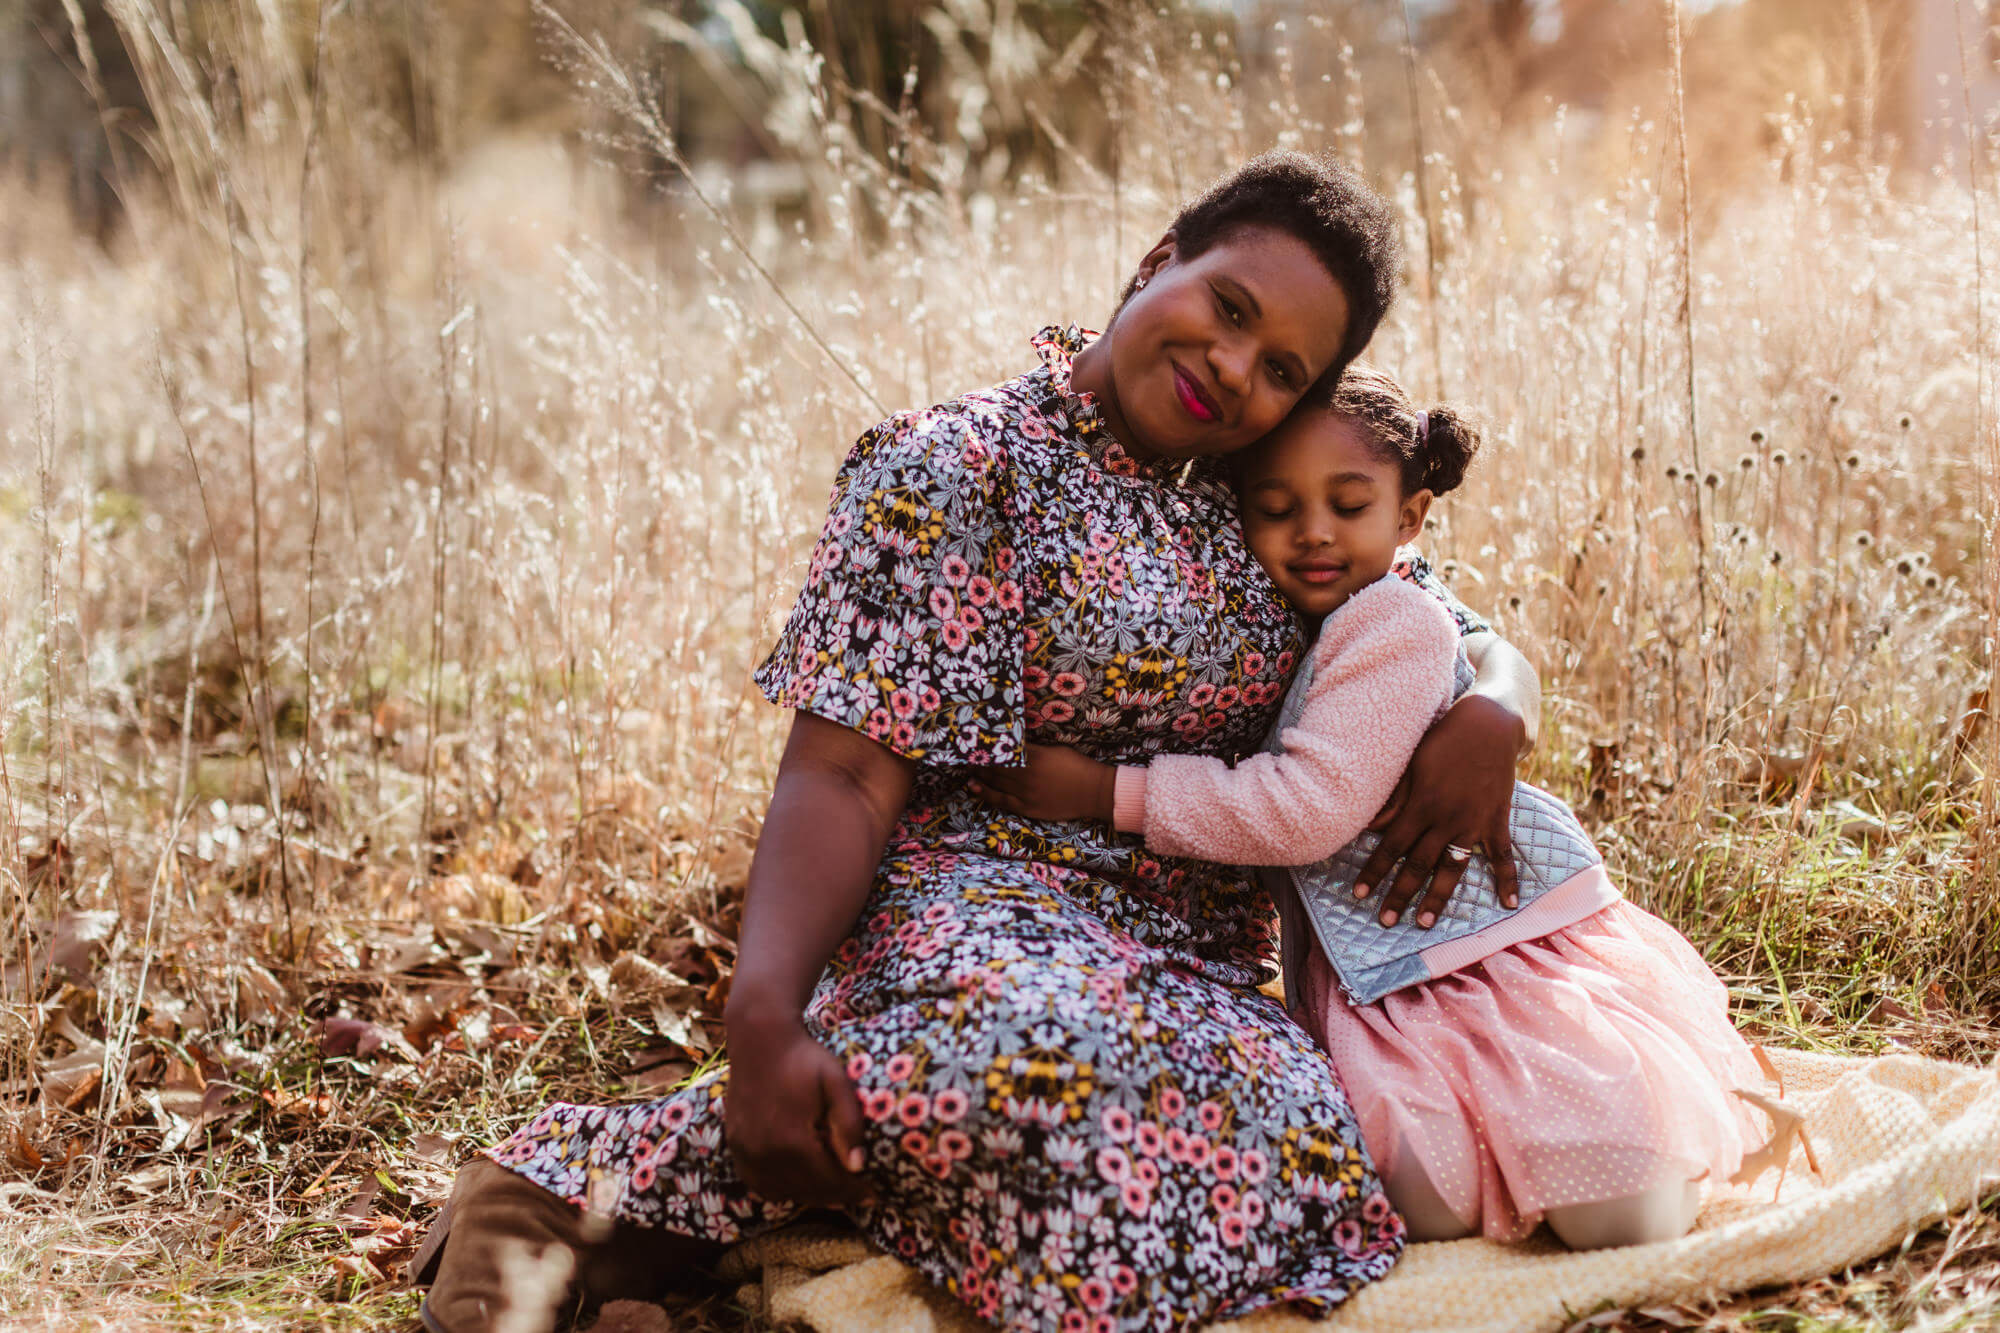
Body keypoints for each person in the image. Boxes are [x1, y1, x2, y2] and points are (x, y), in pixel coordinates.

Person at [412, 151, 1544, 1333]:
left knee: (1298, 1150)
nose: (1229, 369)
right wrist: (761, 1016)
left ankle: (813, 1210)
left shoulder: (1267, 492)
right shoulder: (955, 467)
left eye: (1279, 369)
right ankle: (577, 1197)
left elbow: (1426, 623)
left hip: (1188, 948)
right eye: (1226, 308)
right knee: (1045, 1067)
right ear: (1157, 261)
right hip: (971, 906)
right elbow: (843, 772)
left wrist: (1496, 704)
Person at [970, 366, 1769, 1250]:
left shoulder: (1395, 616)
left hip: (1482, 946)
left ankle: (1636, 1164)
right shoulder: (1310, 604)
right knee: (1421, 1195)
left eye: (1348, 506)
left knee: (1615, 1199)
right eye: (1276, 509)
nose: (1313, 533)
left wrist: (1103, 791)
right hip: (1382, 971)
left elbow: (1308, 808)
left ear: (1410, 516)